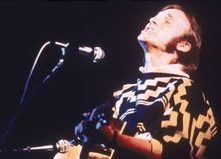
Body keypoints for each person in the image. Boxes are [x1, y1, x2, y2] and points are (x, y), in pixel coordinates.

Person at [54, 4, 218, 159]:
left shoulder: (188, 92)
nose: (152, 20)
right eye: (154, 17)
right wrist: (79, 144)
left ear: (184, 45)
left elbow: (180, 153)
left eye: (167, 21)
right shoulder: (126, 93)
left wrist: (114, 137)